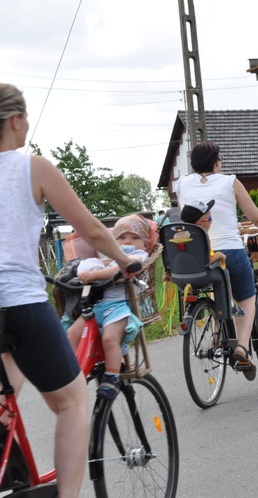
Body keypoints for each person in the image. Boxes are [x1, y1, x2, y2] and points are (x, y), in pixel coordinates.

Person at [0, 82, 141, 498]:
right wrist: (124, 259)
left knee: (7, 394)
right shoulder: (33, 168)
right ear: (15, 120)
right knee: (72, 401)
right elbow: (92, 229)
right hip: (18, 301)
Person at [174, 141, 258, 381]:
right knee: (246, 296)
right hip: (230, 249)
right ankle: (241, 347)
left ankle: (215, 334)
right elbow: (254, 216)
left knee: (216, 284)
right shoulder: (229, 181)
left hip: (197, 254)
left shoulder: (181, 184)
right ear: (216, 162)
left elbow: (191, 219)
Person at [66, 214, 151, 399]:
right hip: (99, 305)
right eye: (121, 238)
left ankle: (111, 377)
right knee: (72, 334)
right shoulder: (110, 259)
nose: (128, 242)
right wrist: (96, 266)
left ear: (145, 244)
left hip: (120, 307)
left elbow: (122, 268)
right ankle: (72, 375)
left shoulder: (138, 256)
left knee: (110, 339)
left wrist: (97, 275)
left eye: (135, 238)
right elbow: (107, 265)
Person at [180, 199, 226, 266]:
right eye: (209, 218)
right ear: (199, 224)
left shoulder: (178, 238)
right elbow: (205, 261)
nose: (211, 222)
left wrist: (167, 272)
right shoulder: (201, 238)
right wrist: (219, 255)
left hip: (181, 275)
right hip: (201, 274)